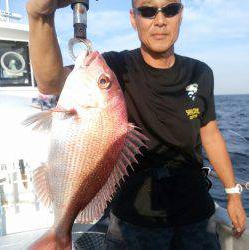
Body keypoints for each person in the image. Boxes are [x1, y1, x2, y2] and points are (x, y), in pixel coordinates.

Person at [26, 0, 247, 249]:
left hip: (196, 213)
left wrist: (233, 193)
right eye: (148, 10)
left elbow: (210, 132)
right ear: (133, 18)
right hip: (133, 221)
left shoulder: (200, 72)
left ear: (181, 14)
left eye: (170, 9)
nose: (160, 20)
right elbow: (49, 81)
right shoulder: (116, 67)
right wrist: (39, 16)